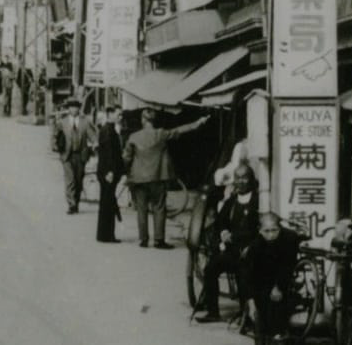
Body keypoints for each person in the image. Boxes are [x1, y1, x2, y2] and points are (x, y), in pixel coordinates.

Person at [123, 108, 209, 248]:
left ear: (142, 120)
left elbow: (126, 158)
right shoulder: (161, 134)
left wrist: (128, 173)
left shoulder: (133, 137)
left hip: (139, 179)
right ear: (153, 121)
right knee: (159, 207)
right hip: (158, 177)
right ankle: (159, 240)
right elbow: (180, 130)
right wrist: (197, 123)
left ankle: (143, 239)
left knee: (141, 208)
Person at [194, 163, 261, 323]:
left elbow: (257, 229)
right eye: (238, 178)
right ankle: (213, 311)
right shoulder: (232, 200)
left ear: (251, 180)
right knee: (211, 269)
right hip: (232, 249)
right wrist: (224, 232)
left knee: (244, 273)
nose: (241, 181)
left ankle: (246, 315)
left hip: (249, 249)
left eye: (245, 177)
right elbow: (221, 221)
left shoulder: (257, 201)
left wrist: (235, 236)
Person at [239, 213, 303, 342]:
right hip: (262, 279)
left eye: (274, 230)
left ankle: (278, 332)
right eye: (266, 231)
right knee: (260, 308)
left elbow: (288, 266)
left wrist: (278, 287)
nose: (270, 235)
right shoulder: (256, 246)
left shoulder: (290, 238)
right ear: (260, 231)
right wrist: (251, 303)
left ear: (280, 228)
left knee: (278, 302)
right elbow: (248, 276)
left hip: (282, 276)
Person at [50, 98, 94, 214]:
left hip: (81, 155)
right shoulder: (62, 122)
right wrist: (55, 146)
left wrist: (95, 145)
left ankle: (76, 201)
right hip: (67, 155)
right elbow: (55, 135)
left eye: (76, 107)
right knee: (70, 180)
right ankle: (71, 204)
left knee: (78, 180)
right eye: (71, 107)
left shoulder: (85, 122)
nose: (74, 109)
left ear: (79, 109)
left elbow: (93, 136)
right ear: (68, 109)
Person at [95, 105, 125, 243]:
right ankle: (107, 235)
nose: (120, 117)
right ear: (110, 114)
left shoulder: (109, 129)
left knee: (107, 203)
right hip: (108, 173)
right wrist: (110, 171)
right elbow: (108, 154)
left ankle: (104, 235)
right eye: (118, 114)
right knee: (108, 204)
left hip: (107, 172)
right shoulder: (108, 130)